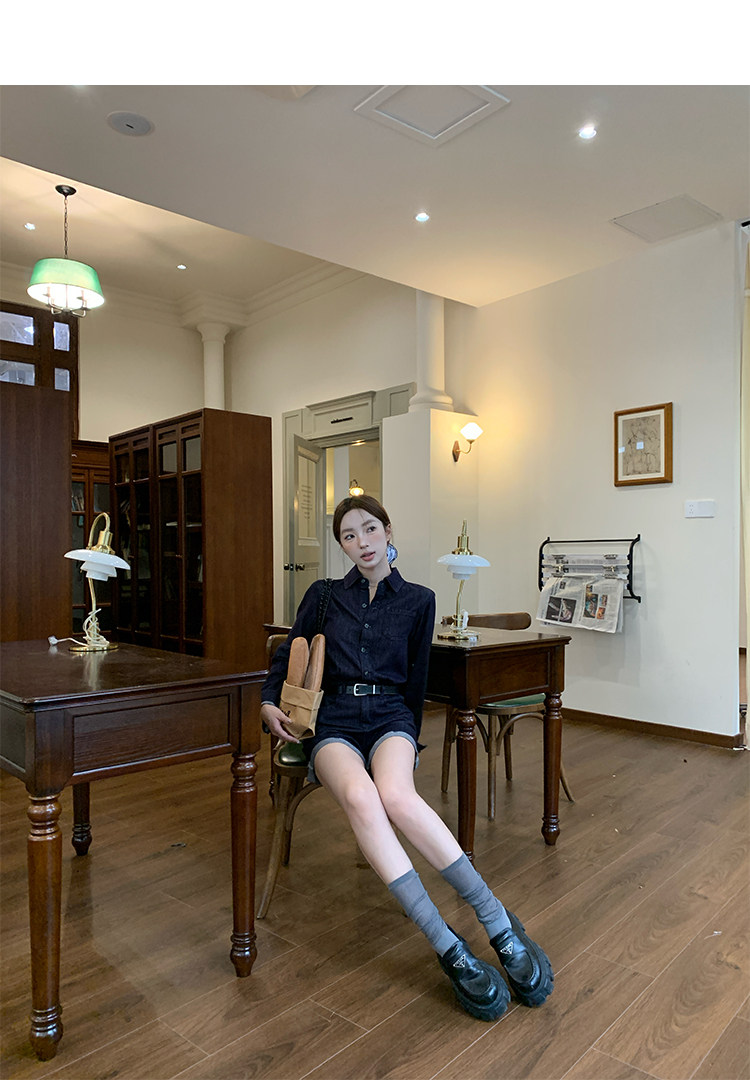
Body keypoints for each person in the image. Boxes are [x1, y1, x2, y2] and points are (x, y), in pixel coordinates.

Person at [260, 495, 553, 1021]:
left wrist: (406, 738)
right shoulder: (324, 596)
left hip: (390, 716)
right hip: (333, 723)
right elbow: (289, 654)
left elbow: (415, 683)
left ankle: (498, 922)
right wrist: (267, 701)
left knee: (395, 794)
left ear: (388, 531)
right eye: (349, 535)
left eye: (370, 529)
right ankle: (447, 945)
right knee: (360, 796)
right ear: (342, 545)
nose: (363, 542)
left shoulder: (420, 600)